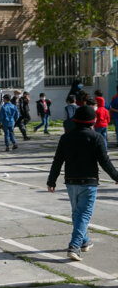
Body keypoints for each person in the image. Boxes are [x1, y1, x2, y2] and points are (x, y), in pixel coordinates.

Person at [47, 105, 118, 261]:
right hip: (89, 182)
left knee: (77, 214)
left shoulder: (65, 138)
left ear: (75, 120)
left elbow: (57, 161)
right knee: (83, 214)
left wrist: (51, 180)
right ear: (92, 121)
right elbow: (105, 162)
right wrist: (116, 177)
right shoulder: (96, 138)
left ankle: (84, 241)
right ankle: (74, 246)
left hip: (71, 181)